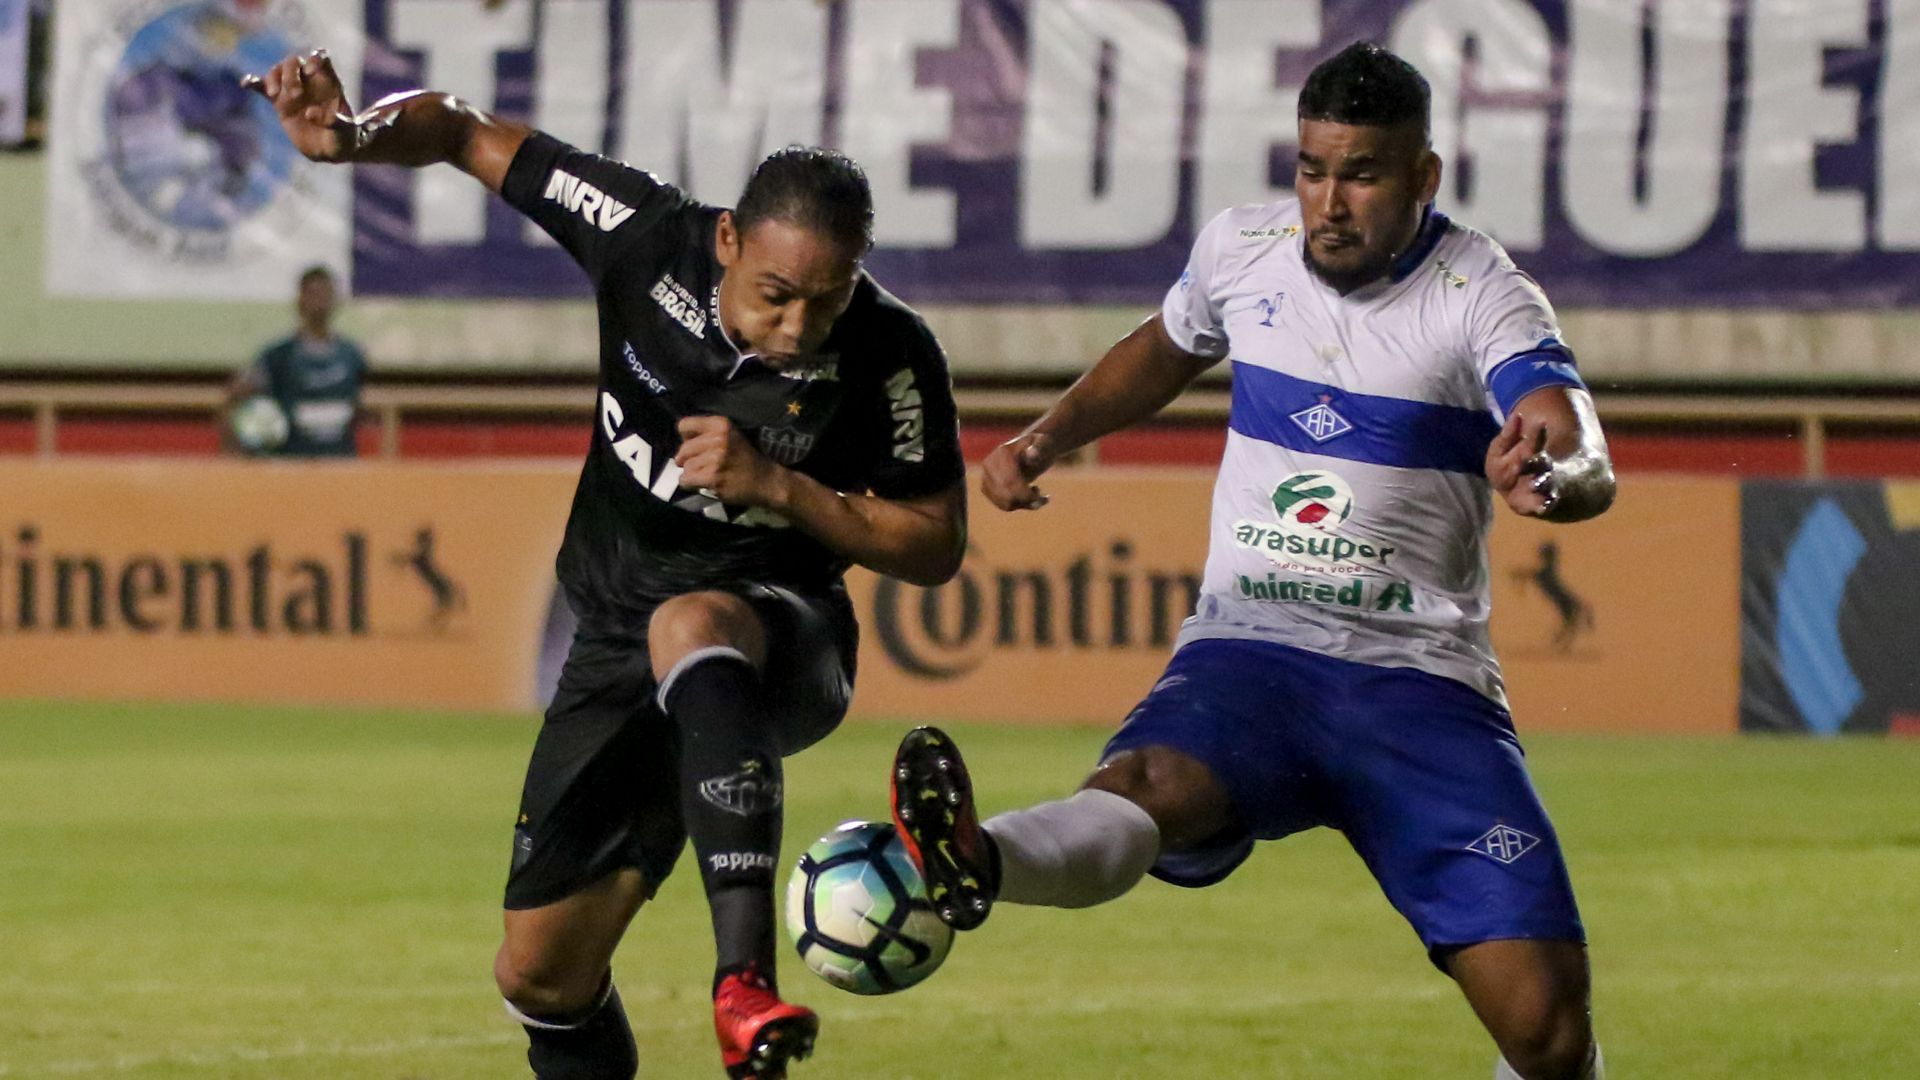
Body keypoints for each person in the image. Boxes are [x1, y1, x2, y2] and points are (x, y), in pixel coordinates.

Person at [890, 42, 1613, 1080]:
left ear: (1423, 177)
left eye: (1361, 173)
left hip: (1416, 680)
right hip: (1251, 650)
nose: (1329, 201)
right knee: (1145, 782)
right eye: (1312, 168)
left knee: (1546, 1031)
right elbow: (1165, 346)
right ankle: (976, 857)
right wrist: (1050, 434)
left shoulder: (1482, 293)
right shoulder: (1243, 248)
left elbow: (1575, 440)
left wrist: (1552, 475)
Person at [249, 49, 966, 1079]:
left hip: (783, 639)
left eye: (828, 298)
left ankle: (743, 986)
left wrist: (783, 489)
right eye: (774, 294)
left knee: (695, 621)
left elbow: (935, 543)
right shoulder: (644, 236)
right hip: (615, 643)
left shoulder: (893, 354)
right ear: (725, 240)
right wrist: (355, 137)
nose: (799, 325)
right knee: (539, 975)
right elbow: (459, 127)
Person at [226, 264, 368, 457]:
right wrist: (241, 449)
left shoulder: (352, 354)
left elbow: (362, 405)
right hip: (292, 465)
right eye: (312, 294)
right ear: (300, 300)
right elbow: (236, 397)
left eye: (325, 294)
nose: (320, 302)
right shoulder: (278, 354)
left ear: (335, 300)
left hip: (340, 461)